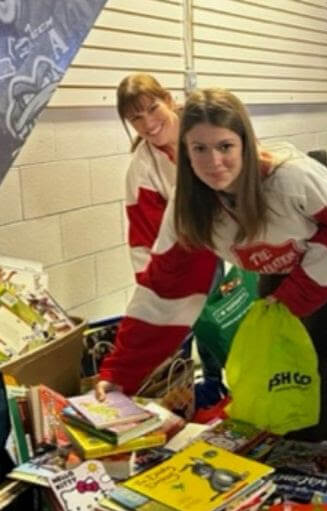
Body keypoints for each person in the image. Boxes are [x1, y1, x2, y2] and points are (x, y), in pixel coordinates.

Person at [97, 88, 327, 441]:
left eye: (224, 146)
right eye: (199, 149)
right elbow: (164, 288)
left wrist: (292, 301)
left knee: (325, 391)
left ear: (244, 143)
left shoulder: (292, 180)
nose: (213, 162)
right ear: (185, 152)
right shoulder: (189, 205)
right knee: (272, 384)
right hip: (272, 279)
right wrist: (120, 372)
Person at [114, 74, 224, 393]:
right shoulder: (142, 168)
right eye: (136, 117)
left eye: (152, 108)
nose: (148, 123)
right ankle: (196, 393)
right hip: (186, 258)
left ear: (169, 99)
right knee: (190, 327)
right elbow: (143, 234)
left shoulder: (203, 125)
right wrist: (152, 290)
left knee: (221, 320)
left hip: (234, 242)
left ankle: (221, 383)